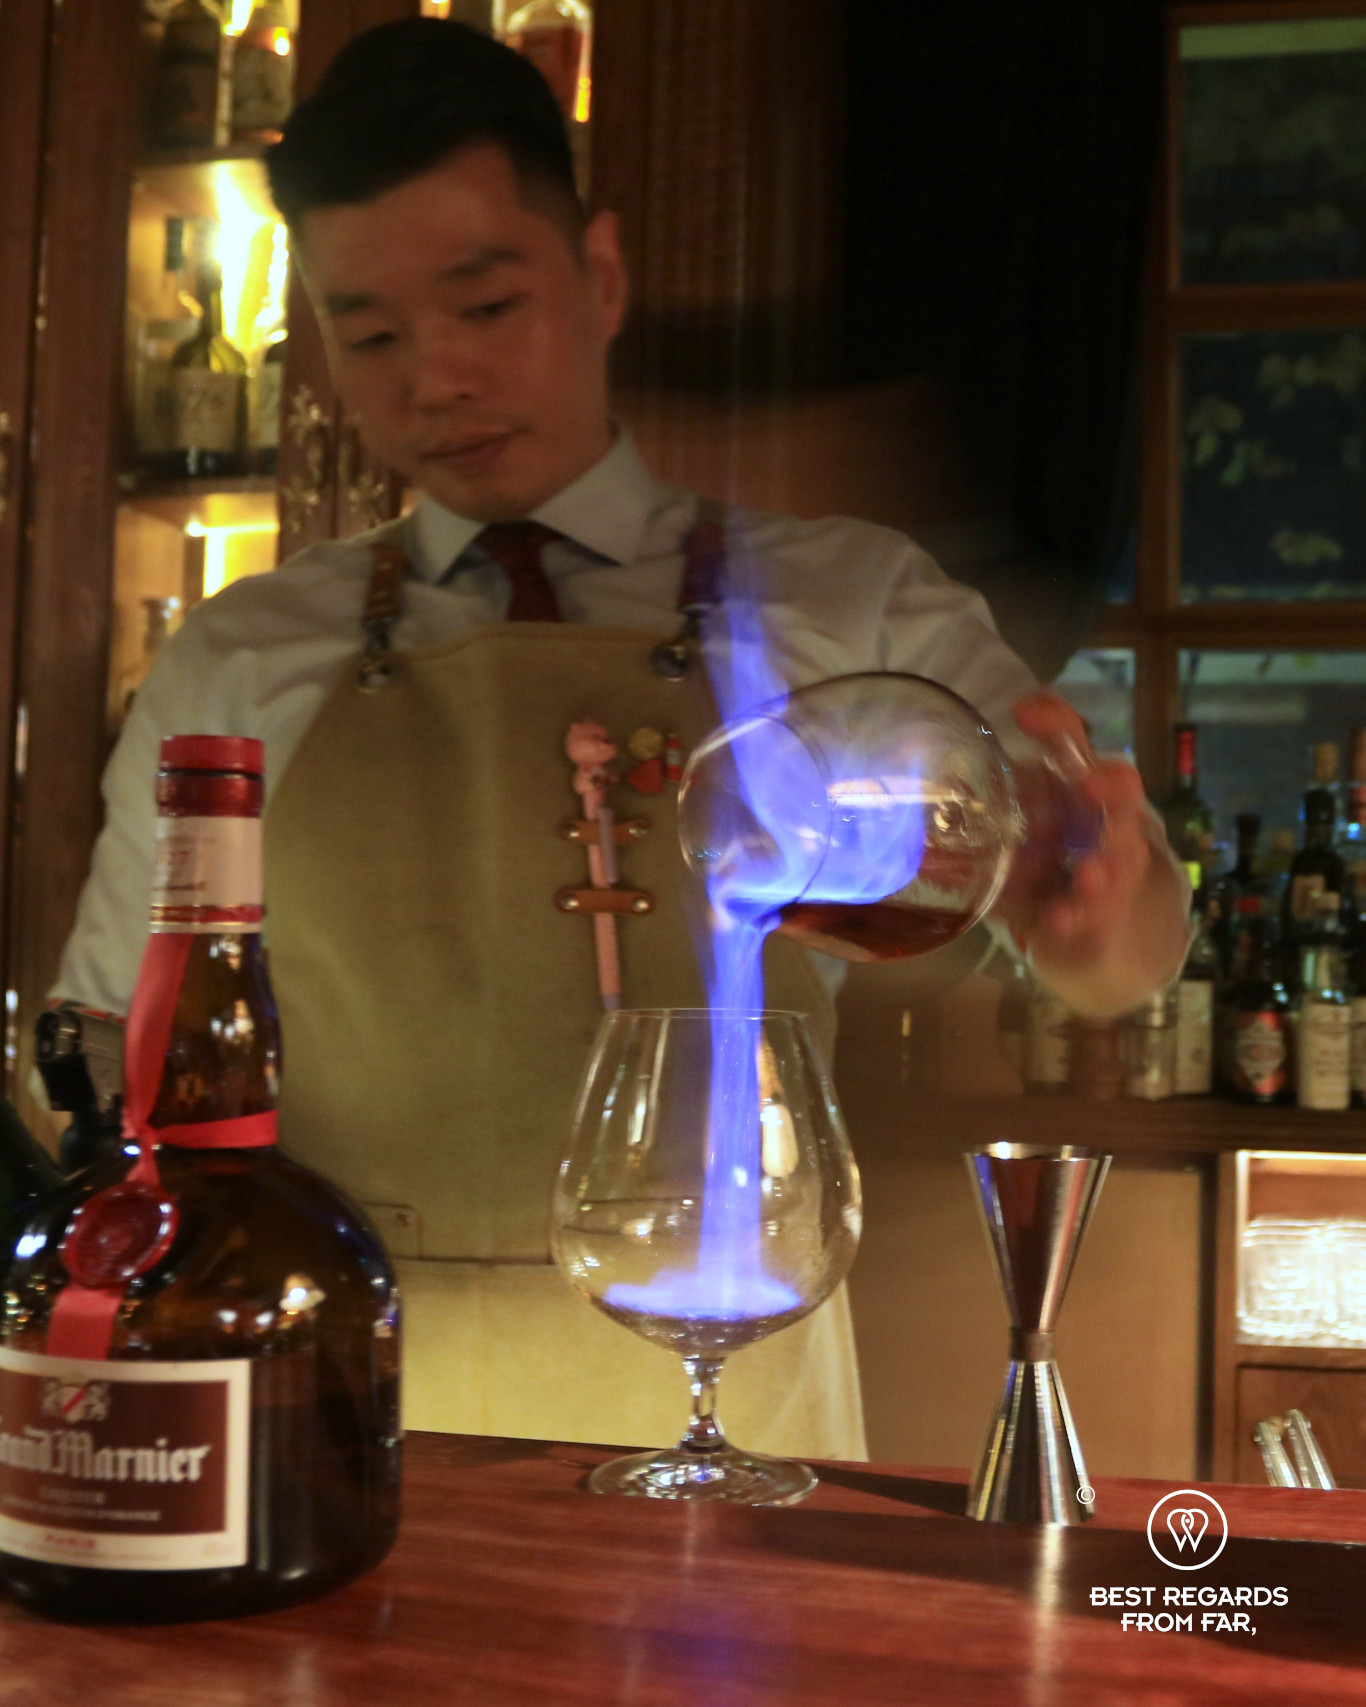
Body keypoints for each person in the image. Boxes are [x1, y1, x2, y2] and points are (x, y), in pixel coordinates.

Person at [51, 19, 1188, 1460]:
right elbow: (105, 1042)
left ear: (597, 274)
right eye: (371, 330)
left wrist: (1093, 907)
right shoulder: (241, 652)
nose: (436, 379)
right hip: (336, 1399)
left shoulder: (852, 596)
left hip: (737, 1392)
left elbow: (1122, 950)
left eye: (484, 304)